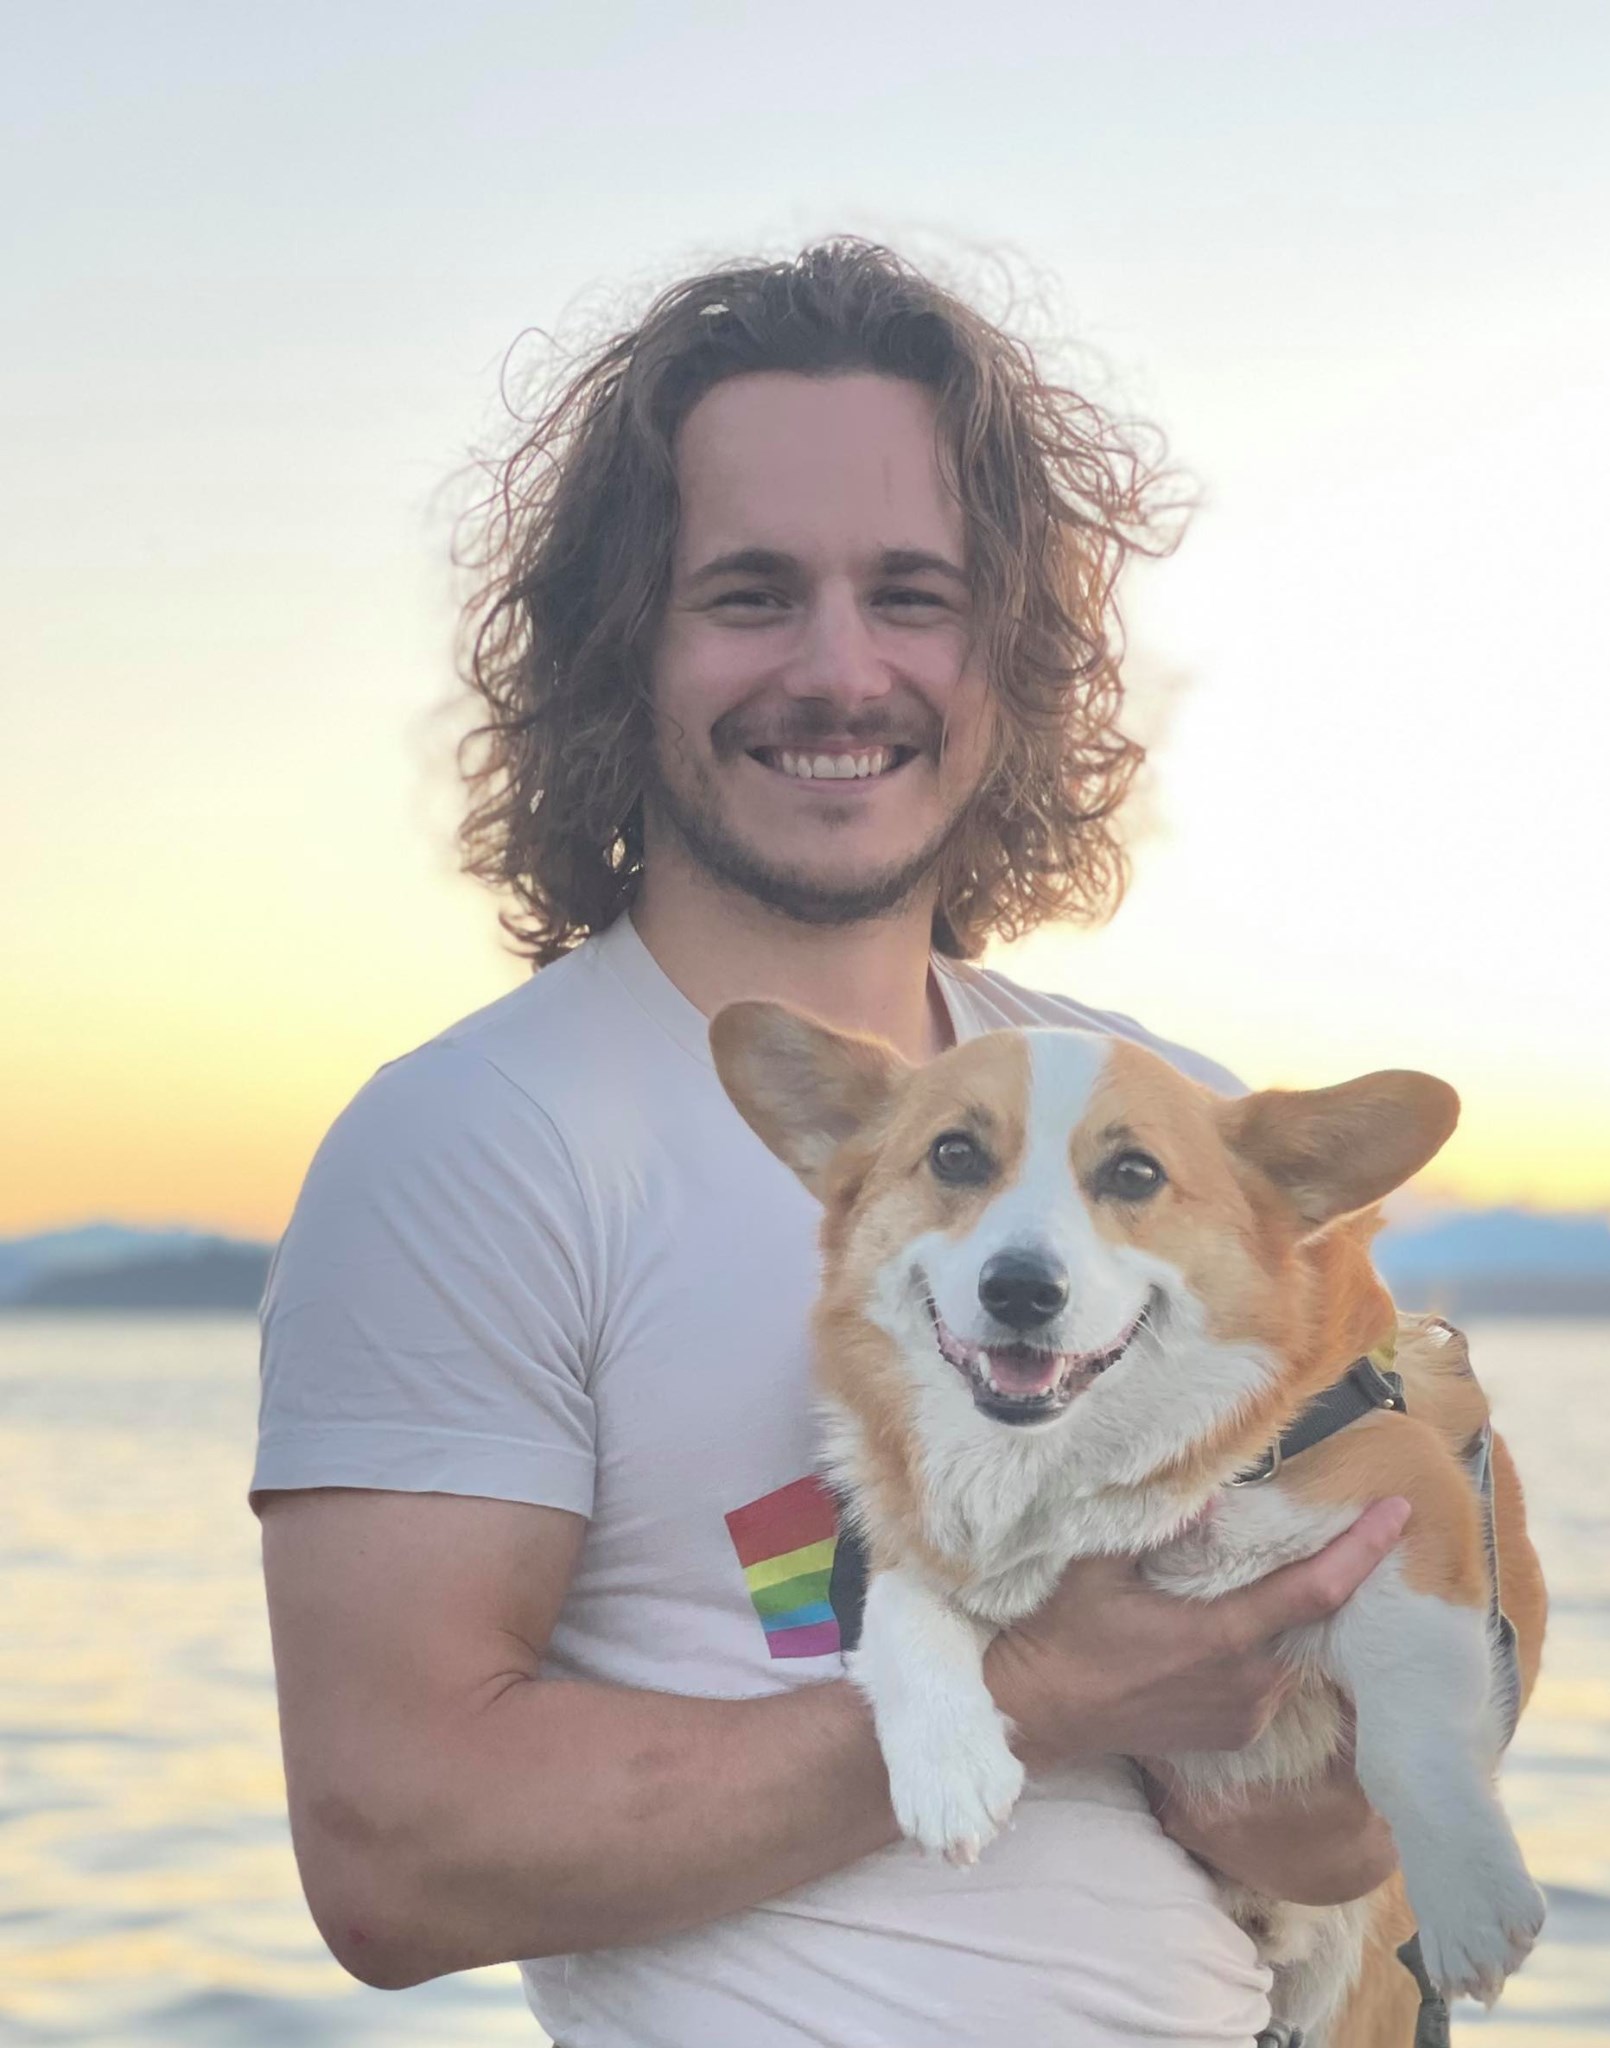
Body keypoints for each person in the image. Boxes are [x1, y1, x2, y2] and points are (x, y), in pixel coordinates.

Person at [253, 238, 1410, 2048]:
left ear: (1010, 653)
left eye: (916, 595)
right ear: (618, 645)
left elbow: (1345, 1837)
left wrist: (1247, 1672)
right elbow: (399, 1853)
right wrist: (1032, 1686)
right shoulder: (479, 1144)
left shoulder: (1170, 1123)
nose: (840, 666)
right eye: (748, 593)